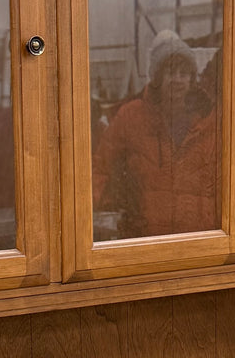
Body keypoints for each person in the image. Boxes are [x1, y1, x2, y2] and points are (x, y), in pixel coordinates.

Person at [91, 30, 219, 239]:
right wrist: (92, 208)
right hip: (146, 239)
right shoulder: (131, 116)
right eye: (170, 72)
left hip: (198, 240)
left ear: (192, 78)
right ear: (158, 76)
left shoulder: (209, 120)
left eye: (184, 73)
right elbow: (101, 167)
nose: (177, 79)